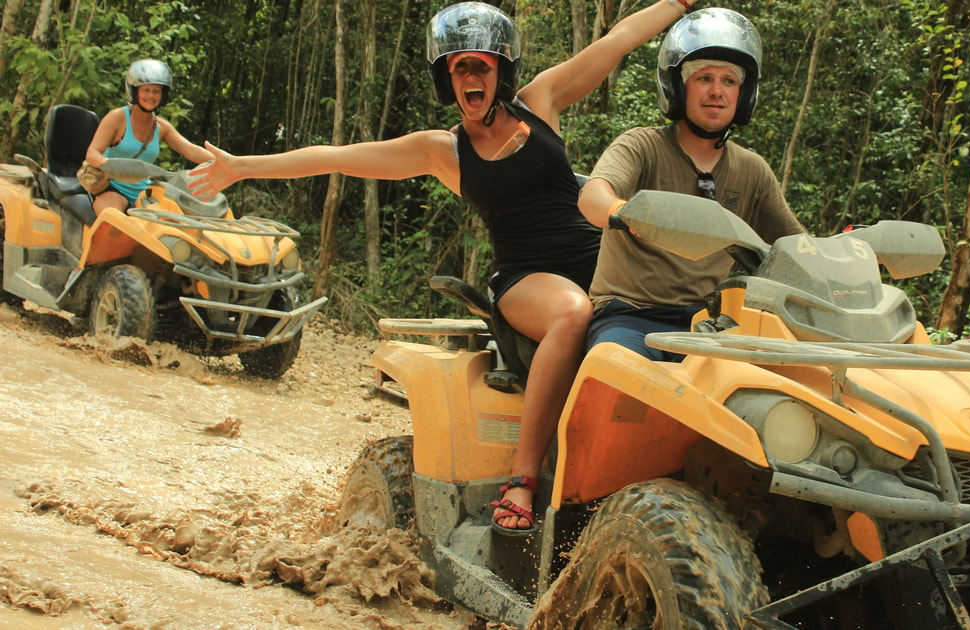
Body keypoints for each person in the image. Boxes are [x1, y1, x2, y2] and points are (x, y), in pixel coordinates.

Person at [187, 0, 702, 535]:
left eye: (482, 64)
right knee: (572, 314)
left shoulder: (541, 101)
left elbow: (616, 40)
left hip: (601, 263)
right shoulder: (442, 151)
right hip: (528, 278)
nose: (472, 75)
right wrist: (242, 167)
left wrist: (677, 4)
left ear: (502, 70)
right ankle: (522, 479)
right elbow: (334, 156)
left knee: (692, 312)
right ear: (446, 78)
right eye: (460, 66)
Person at [578, 7, 806, 361]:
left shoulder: (751, 170)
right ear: (677, 86)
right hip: (630, 317)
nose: (717, 91)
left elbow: (795, 248)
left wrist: (852, 259)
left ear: (743, 94)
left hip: (711, 324)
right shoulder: (641, 146)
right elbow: (593, 197)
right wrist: (624, 212)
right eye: (704, 78)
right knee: (615, 374)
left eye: (729, 81)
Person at [85, 59, 214, 213]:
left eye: (156, 91)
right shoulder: (117, 118)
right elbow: (92, 153)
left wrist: (226, 162)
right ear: (134, 91)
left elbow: (191, 150)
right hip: (112, 188)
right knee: (113, 220)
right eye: (145, 90)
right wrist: (109, 164)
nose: (151, 96)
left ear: (163, 94)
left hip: (145, 193)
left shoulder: (161, 126)